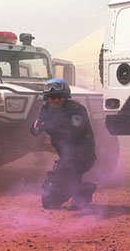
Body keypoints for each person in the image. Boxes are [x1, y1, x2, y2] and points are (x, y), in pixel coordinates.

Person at [30, 78, 97, 210]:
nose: (56, 100)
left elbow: (74, 134)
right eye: (52, 97)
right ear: (47, 98)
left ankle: (83, 193)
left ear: (65, 97)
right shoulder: (46, 110)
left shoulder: (77, 110)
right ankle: (77, 193)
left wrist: (49, 125)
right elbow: (35, 131)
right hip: (66, 156)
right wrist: (36, 127)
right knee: (49, 202)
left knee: (69, 172)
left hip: (83, 154)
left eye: (59, 97)